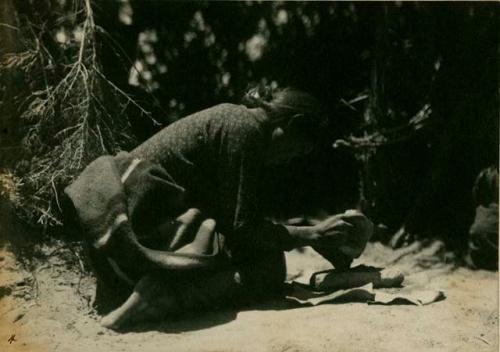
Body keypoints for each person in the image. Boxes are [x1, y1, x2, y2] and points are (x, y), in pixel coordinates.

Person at [64, 86, 373, 330]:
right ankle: (163, 295)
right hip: (137, 238)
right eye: (298, 150)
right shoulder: (246, 133)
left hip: (119, 239)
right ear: (289, 125)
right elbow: (244, 229)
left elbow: (236, 218)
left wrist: (315, 240)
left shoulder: (236, 121)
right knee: (268, 269)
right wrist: (311, 235)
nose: (291, 160)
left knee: (262, 256)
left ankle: (157, 289)